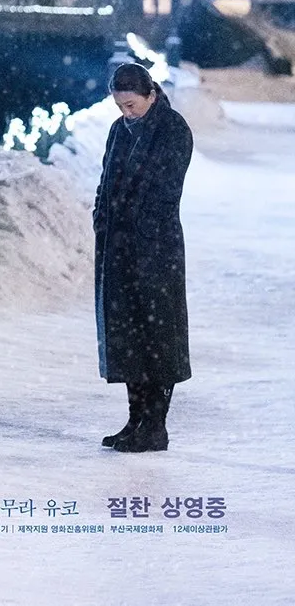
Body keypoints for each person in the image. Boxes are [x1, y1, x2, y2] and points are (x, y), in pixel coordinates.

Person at [93, 61, 193, 452]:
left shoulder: (172, 129)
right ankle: (135, 420)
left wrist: (135, 225)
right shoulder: (119, 131)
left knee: (156, 335)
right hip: (118, 247)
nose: (126, 113)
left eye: (132, 105)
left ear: (151, 95)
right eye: (121, 106)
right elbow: (106, 180)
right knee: (129, 336)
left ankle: (155, 426)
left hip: (155, 247)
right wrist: (102, 218)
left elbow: (165, 189)